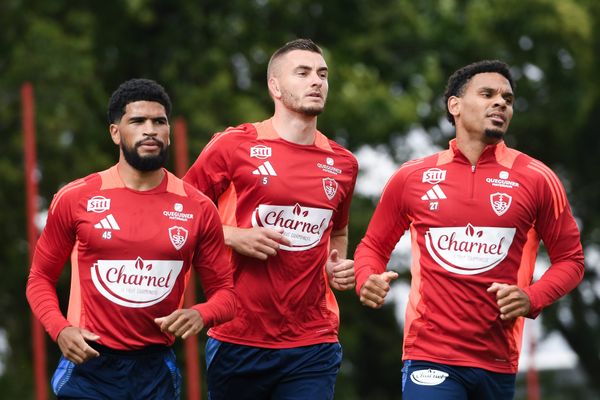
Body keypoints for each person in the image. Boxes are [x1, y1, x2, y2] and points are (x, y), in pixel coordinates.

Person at [354, 60, 585, 400]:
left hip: (498, 361)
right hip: (429, 355)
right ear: (455, 105)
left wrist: (531, 297)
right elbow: (372, 246)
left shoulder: (538, 178)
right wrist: (365, 277)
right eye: (488, 94)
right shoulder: (412, 176)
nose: (501, 103)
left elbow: (572, 260)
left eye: (507, 98)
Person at [26, 78, 236, 400]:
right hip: (89, 366)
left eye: (159, 121)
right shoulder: (76, 198)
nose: (150, 129)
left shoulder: (198, 207)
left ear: (168, 131)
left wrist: (200, 314)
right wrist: (61, 329)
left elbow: (226, 295)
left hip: (155, 370)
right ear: (115, 132)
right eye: (137, 121)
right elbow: (39, 278)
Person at [183, 38, 358, 400]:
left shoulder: (343, 163)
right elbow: (178, 212)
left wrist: (334, 264)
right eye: (303, 72)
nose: (317, 81)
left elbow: (337, 230)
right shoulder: (233, 145)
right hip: (237, 334)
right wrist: (232, 236)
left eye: (322, 74)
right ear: (275, 86)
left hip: (312, 340)